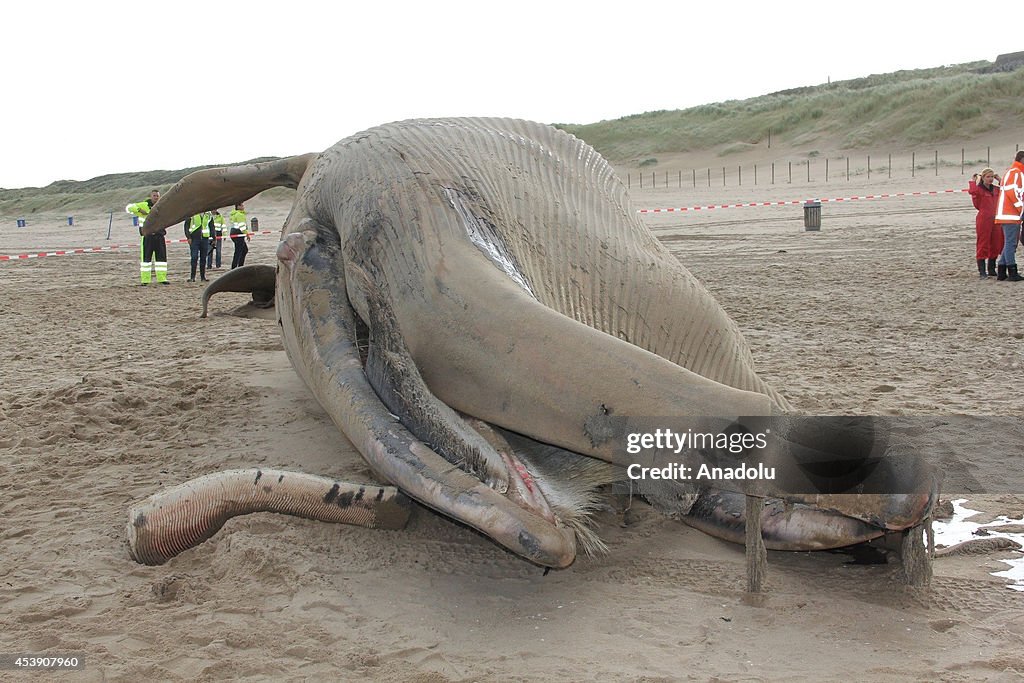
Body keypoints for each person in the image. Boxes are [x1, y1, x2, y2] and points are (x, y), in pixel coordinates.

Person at [125, 189, 169, 285]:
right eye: (154, 196)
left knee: (161, 259)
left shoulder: (162, 206)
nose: (156, 197)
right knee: (146, 259)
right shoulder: (143, 205)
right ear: (150, 196)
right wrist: (138, 210)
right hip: (147, 237)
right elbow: (128, 208)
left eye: (157, 196)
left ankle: (162, 278)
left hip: (159, 236)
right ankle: (145, 280)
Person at [994, 150, 1024, 281]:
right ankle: (1012, 271)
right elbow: (1014, 192)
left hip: (1007, 213)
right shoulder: (1016, 173)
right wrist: (1021, 209)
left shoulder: (1011, 172)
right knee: (1011, 243)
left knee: (1009, 242)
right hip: (1010, 214)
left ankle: (1001, 270)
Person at [968, 168, 1002, 279]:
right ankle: (982, 271)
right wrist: (973, 181)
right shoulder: (979, 190)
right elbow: (972, 191)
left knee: (996, 243)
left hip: (996, 219)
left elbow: (1006, 190)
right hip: (984, 219)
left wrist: (1000, 179)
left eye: (992, 177)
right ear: (983, 178)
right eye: (988, 177)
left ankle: (991, 269)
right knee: (983, 243)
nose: (990, 179)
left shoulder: (996, 189)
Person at [184, 211, 214, 282]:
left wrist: (214, 238)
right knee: (194, 257)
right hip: (194, 239)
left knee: (203, 258)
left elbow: (211, 226)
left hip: (205, 239)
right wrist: (188, 237)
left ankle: (203, 277)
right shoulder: (192, 212)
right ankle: (192, 277)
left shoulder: (208, 214)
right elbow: (186, 226)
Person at [229, 202, 250, 269]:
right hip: (238, 233)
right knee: (238, 251)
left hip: (234, 232)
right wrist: (247, 234)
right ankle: (234, 267)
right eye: (242, 205)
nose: (243, 206)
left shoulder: (235, 214)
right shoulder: (239, 215)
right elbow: (242, 226)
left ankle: (240, 266)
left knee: (244, 250)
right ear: (238, 207)